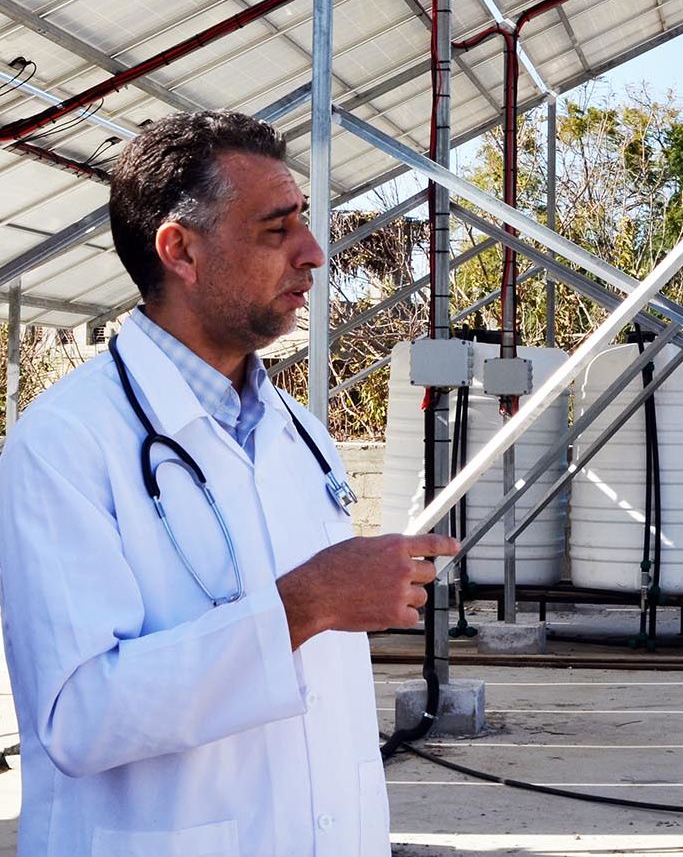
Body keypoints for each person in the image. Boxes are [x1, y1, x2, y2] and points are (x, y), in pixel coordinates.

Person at [0, 110, 456, 856]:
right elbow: (77, 716)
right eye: (276, 230)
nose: (313, 252)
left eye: (304, 223)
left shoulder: (302, 436)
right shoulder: (64, 444)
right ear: (180, 249)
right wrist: (306, 604)